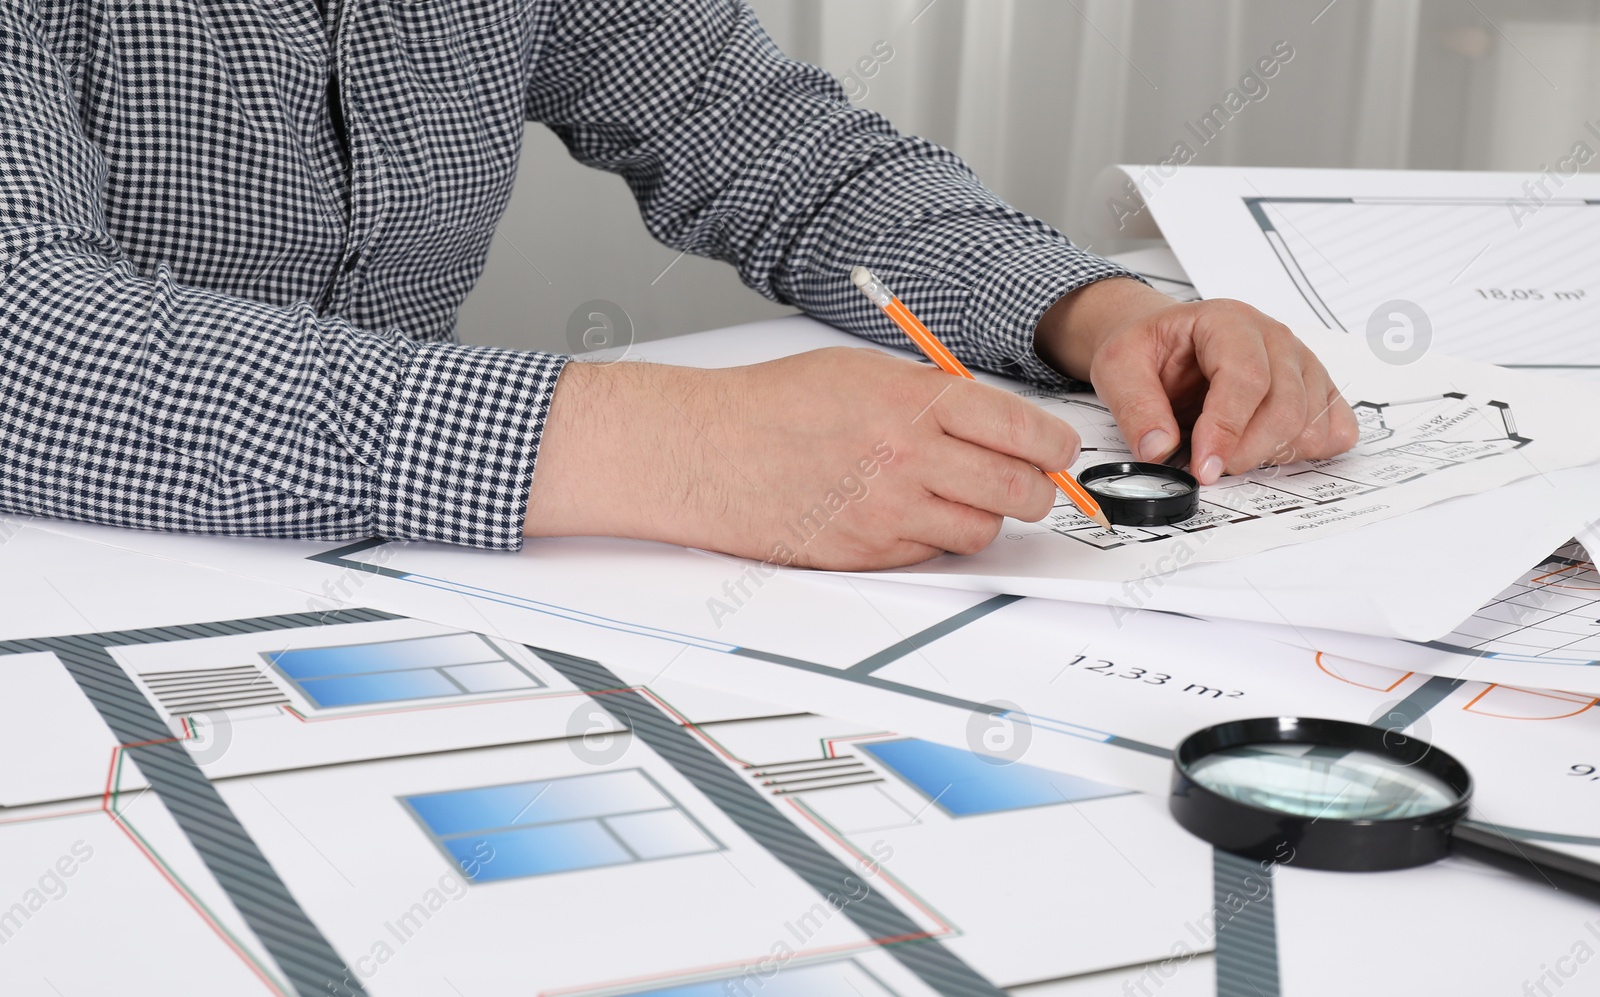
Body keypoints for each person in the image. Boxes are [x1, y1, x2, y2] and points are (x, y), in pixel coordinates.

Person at [0, 0, 1357, 571]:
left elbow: (787, 156)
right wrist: (679, 443)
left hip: (423, 581)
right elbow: (25, 341)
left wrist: (1097, 311)